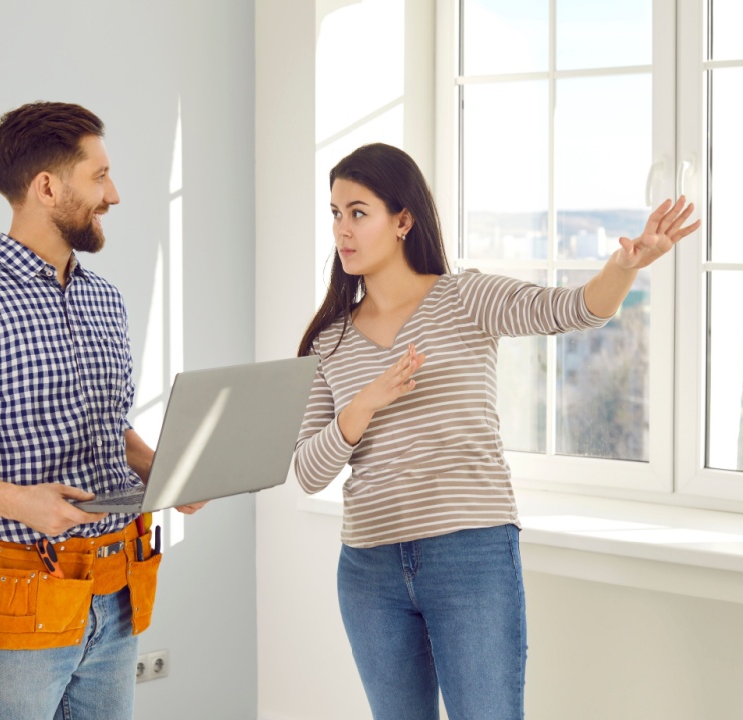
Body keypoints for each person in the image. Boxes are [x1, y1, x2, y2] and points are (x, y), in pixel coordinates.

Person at [293, 142, 700, 719]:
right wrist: (363, 405)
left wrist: (624, 266)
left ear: (403, 219)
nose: (343, 230)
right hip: (368, 570)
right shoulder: (327, 339)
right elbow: (308, 472)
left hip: (470, 553)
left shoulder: (466, 297)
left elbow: (571, 310)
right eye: (335, 214)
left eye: (358, 212)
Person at [0, 101, 202, 719]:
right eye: (99, 176)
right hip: (21, 585)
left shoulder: (104, 300)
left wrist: (162, 469)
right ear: (47, 187)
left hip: (117, 580)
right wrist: (22, 502)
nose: (114, 194)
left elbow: (108, 424)